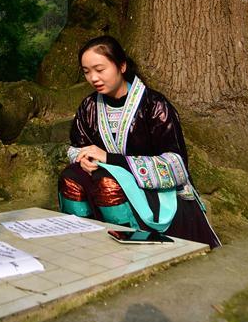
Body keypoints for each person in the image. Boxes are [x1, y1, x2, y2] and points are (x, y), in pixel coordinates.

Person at [58, 35, 220, 248]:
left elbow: (176, 165)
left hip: (152, 191)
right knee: (70, 178)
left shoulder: (154, 105)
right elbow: (78, 147)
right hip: (100, 179)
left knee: (108, 184)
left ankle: (127, 246)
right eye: (87, 72)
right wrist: (83, 158)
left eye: (100, 69)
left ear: (121, 66)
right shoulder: (89, 106)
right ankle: (83, 244)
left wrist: (109, 159)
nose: (93, 78)